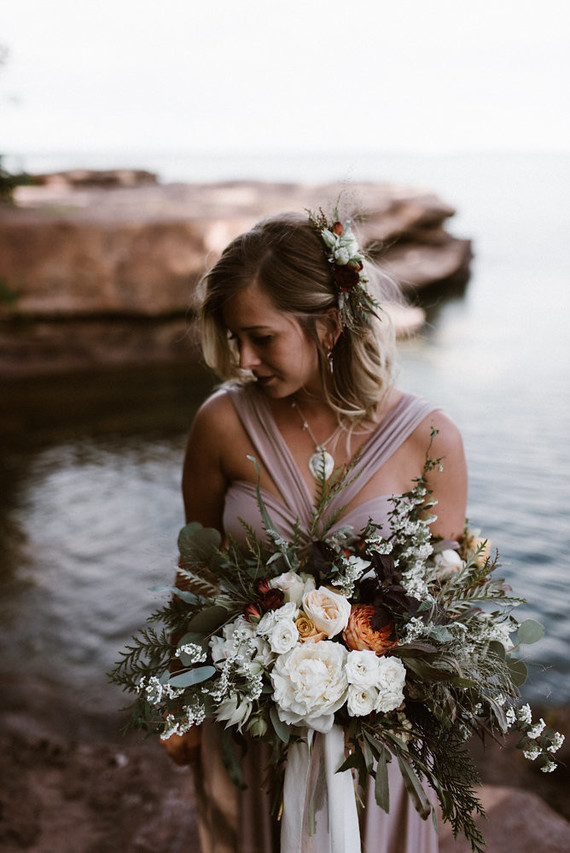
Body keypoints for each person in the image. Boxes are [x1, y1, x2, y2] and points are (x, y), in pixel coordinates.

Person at [163, 210, 468, 853]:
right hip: (250, 727)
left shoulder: (428, 438)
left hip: (375, 748)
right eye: (232, 338)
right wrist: (181, 699)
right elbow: (195, 572)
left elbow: (448, 604)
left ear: (327, 327)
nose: (243, 359)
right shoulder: (221, 425)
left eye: (261, 338)